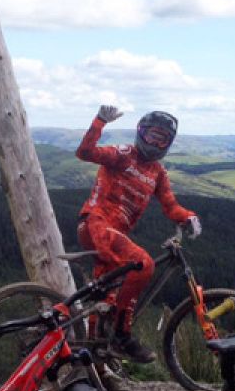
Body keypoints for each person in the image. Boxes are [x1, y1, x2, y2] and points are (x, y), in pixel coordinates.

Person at [76, 105, 201, 364]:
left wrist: (188, 216)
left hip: (114, 234)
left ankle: (95, 368)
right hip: (96, 224)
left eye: (162, 138)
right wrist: (99, 121)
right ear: (140, 133)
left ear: (168, 143)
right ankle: (122, 336)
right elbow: (85, 152)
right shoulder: (123, 154)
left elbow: (170, 205)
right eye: (151, 135)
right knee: (143, 264)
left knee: (104, 297)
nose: (155, 142)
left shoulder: (158, 173)